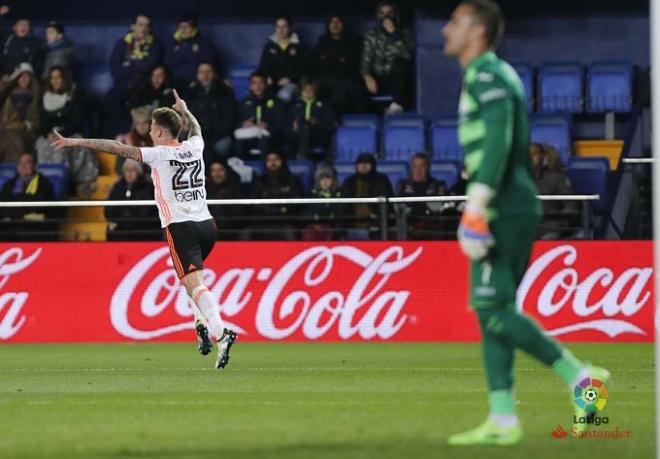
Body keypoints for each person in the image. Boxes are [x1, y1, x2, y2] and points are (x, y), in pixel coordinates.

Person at [442, 0, 608, 446]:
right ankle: (502, 418)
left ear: (477, 30)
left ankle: (581, 377)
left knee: (491, 309)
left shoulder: (488, 75)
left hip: (502, 205)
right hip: (505, 201)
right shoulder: (486, 74)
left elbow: (498, 140)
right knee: (492, 313)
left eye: (454, 22)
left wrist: (476, 203)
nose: (444, 30)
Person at [51, 89, 237, 370]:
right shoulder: (194, 146)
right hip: (207, 225)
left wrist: (76, 141)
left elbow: (115, 147)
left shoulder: (157, 154)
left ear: (162, 132)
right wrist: (185, 109)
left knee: (194, 284)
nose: (149, 132)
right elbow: (196, 127)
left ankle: (221, 332)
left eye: (152, 128)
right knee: (191, 282)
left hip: (180, 226)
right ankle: (200, 324)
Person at [36, 66, 98, 196]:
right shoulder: (44, 97)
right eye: (53, 78)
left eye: (58, 77)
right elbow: (42, 123)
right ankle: (50, 186)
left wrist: (62, 134)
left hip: (69, 133)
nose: (56, 81)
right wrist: (48, 133)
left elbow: (77, 121)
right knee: (42, 145)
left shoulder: (74, 96)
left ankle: (76, 185)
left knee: (69, 147)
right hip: (50, 136)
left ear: (64, 79)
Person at [105, 13, 163, 135]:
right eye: (140, 24)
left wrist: (129, 64)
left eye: (147, 26)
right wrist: (138, 64)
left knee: (139, 100)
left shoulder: (155, 44)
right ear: (133, 26)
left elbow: (150, 66)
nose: (144, 28)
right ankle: (125, 133)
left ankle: (138, 137)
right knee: (111, 98)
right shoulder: (121, 44)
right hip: (124, 84)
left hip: (144, 85)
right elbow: (115, 70)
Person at [306, 14, 368, 114]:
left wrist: (330, 60)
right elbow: (314, 65)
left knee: (352, 90)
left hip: (348, 79)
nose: (335, 25)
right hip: (326, 80)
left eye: (338, 21)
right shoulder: (322, 41)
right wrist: (338, 60)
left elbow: (354, 64)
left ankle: (361, 123)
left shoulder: (354, 41)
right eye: (332, 22)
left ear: (343, 24)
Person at [360, 1, 414, 114]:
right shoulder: (372, 35)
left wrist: (394, 34)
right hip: (377, 80)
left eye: (389, 13)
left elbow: (408, 56)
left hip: (397, 81)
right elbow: (366, 59)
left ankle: (396, 106)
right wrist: (367, 76)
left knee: (400, 63)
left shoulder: (405, 34)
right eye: (382, 13)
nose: (386, 17)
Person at [242, 150, 303, 240]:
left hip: (285, 221)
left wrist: (285, 209)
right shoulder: (259, 180)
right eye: (269, 160)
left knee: (290, 233)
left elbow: (298, 200)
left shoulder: (293, 180)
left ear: (282, 161)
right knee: (246, 233)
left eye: (276, 159)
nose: (273, 163)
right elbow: (252, 202)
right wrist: (274, 210)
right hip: (262, 221)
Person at [185, 62, 236, 160]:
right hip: (199, 136)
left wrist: (213, 137)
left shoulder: (224, 91)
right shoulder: (191, 93)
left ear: (214, 74)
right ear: (197, 75)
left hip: (220, 136)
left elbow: (229, 118)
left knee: (223, 146)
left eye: (208, 72)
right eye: (202, 72)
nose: (205, 75)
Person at [0, 152, 55, 241]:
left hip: (33, 227)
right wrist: (24, 201)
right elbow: (3, 206)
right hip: (10, 225)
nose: (23, 165)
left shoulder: (44, 184)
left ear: (35, 166)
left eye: (27, 162)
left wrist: (17, 203)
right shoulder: (9, 184)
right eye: (20, 163)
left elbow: (37, 207)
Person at [530, 142, 579, 239]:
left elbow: (571, 205)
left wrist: (561, 224)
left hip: (551, 227)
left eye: (534, 154)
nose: (530, 158)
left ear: (543, 156)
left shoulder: (557, 177)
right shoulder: (518, 180)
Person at [341, 152, 393, 239]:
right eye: (361, 163)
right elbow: (343, 206)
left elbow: (387, 205)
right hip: (351, 225)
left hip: (376, 226)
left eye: (367, 163)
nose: (364, 166)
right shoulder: (349, 181)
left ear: (373, 165)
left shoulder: (382, 180)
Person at [105, 159, 158, 241]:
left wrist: (130, 212)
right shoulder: (117, 187)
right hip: (122, 226)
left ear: (138, 172)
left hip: (142, 227)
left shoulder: (147, 187)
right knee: (112, 229)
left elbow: (149, 211)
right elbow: (108, 210)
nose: (129, 173)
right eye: (127, 170)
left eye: (133, 170)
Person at [395, 152, 446, 238]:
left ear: (428, 167)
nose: (418, 170)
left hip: (431, 227)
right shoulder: (402, 185)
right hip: (409, 226)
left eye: (422, 166)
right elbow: (399, 209)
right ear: (411, 167)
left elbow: (438, 208)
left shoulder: (437, 185)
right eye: (415, 166)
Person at [234, 71, 284, 158]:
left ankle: (265, 169)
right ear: (250, 86)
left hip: (270, 137)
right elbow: (234, 121)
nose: (258, 86)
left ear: (266, 84)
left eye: (261, 82)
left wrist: (268, 126)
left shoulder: (276, 102)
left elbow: (281, 123)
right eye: (254, 83)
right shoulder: (243, 103)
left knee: (265, 141)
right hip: (249, 135)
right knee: (237, 143)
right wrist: (243, 124)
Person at [286, 78, 336, 159]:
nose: (307, 92)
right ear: (301, 91)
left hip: (317, 136)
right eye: (305, 90)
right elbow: (286, 126)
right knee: (302, 127)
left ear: (315, 91)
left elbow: (331, 125)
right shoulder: (293, 107)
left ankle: (302, 156)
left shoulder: (323, 106)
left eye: (310, 90)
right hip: (296, 138)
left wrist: (318, 124)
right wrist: (294, 127)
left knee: (305, 127)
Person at [165, 12, 217, 91]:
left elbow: (207, 64)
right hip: (174, 84)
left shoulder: (203, 43)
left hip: (196, 85)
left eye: (186, 26)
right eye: (181, 26)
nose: (183, 29)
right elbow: (166, 63)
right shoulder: (172, 43)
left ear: (194, 28)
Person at [257, 16, 304, 103]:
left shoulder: (299, 46)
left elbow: (303, 69)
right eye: (278, 27)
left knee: (284, 95)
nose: (281, 30)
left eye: (284, 26)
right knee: (256, 94)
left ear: (290, 28)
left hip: (292, 83)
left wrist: (291, 79)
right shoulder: (269, 46)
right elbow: (263, 67)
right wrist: (267, 77)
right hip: (272, 83)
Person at [0, 62, 40, 160]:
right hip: (4, 130)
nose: (24, 79)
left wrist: (22, 125)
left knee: (15, 144)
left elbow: (35, 122)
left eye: (27, 76)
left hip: (23, 132)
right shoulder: (8, 94)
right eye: (20, 76)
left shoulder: (35, 95)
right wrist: (10, 79)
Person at [302, 163, 345, 241]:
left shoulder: (339, 194)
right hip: (314, 227)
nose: (325, 181)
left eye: (328, 178)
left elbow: (339, 212)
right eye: (322, 178)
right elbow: (307, 212)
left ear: (333, 180)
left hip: (333, 227)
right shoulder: (312, 193)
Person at [205, 157, 244, 239]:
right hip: (209, 228)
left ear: (226, 171)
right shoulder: (205, 190)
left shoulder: (235, 188)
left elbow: (240, 212)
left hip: (231, 228)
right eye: (213, 171)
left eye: (220, 170)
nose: (217, 173)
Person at [114, 106, 154, 175]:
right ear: (134, 125)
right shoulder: (125, 142)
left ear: (150, 123)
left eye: (145, 122)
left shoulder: (158, 141)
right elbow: (118, 168)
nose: (142, 126)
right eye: (138, 123)